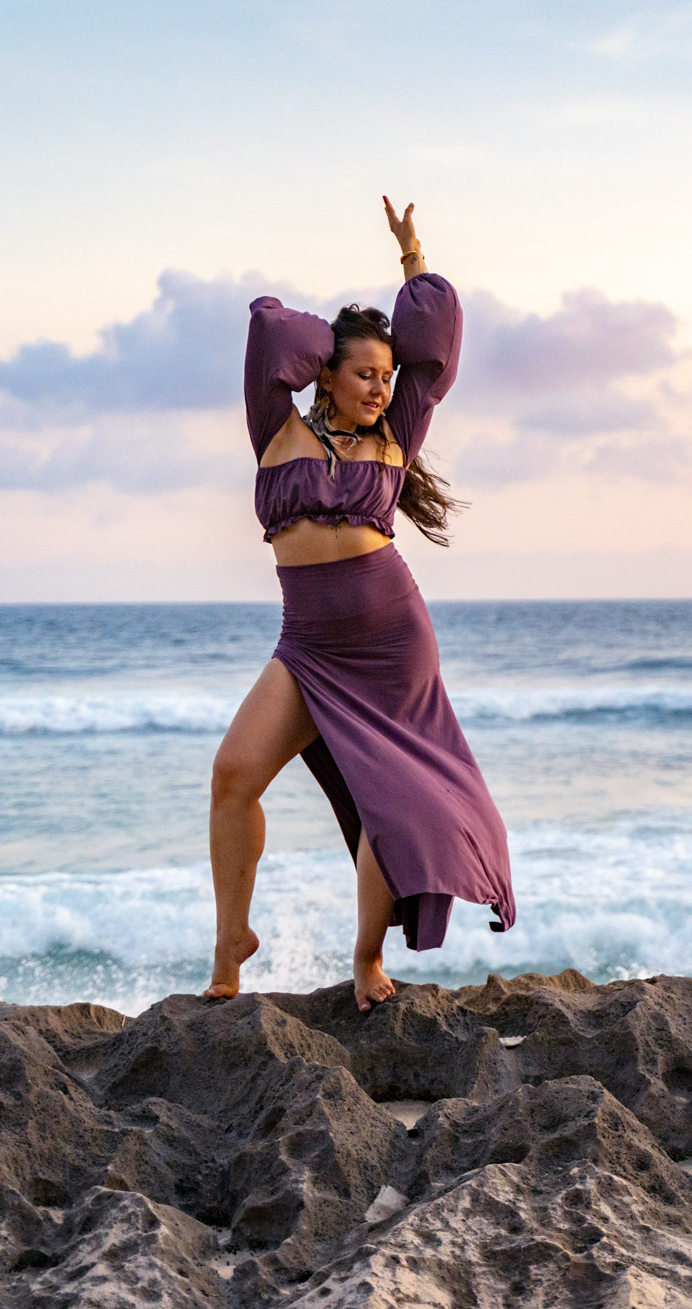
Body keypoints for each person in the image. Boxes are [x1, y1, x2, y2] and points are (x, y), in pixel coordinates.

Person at [203, 198, 515, 1011]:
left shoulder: (396, 434)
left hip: (390, 641)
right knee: (234, 773)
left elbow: (436, 344)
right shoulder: (275, 428)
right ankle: (229, 941)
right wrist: (337, 340)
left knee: (393, 801)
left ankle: (368, 958)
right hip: (307, 642)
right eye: (364, 373)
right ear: (325, 376)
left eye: (387, 375)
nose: (383, 387)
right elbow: (276, 333)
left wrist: (413, 258)